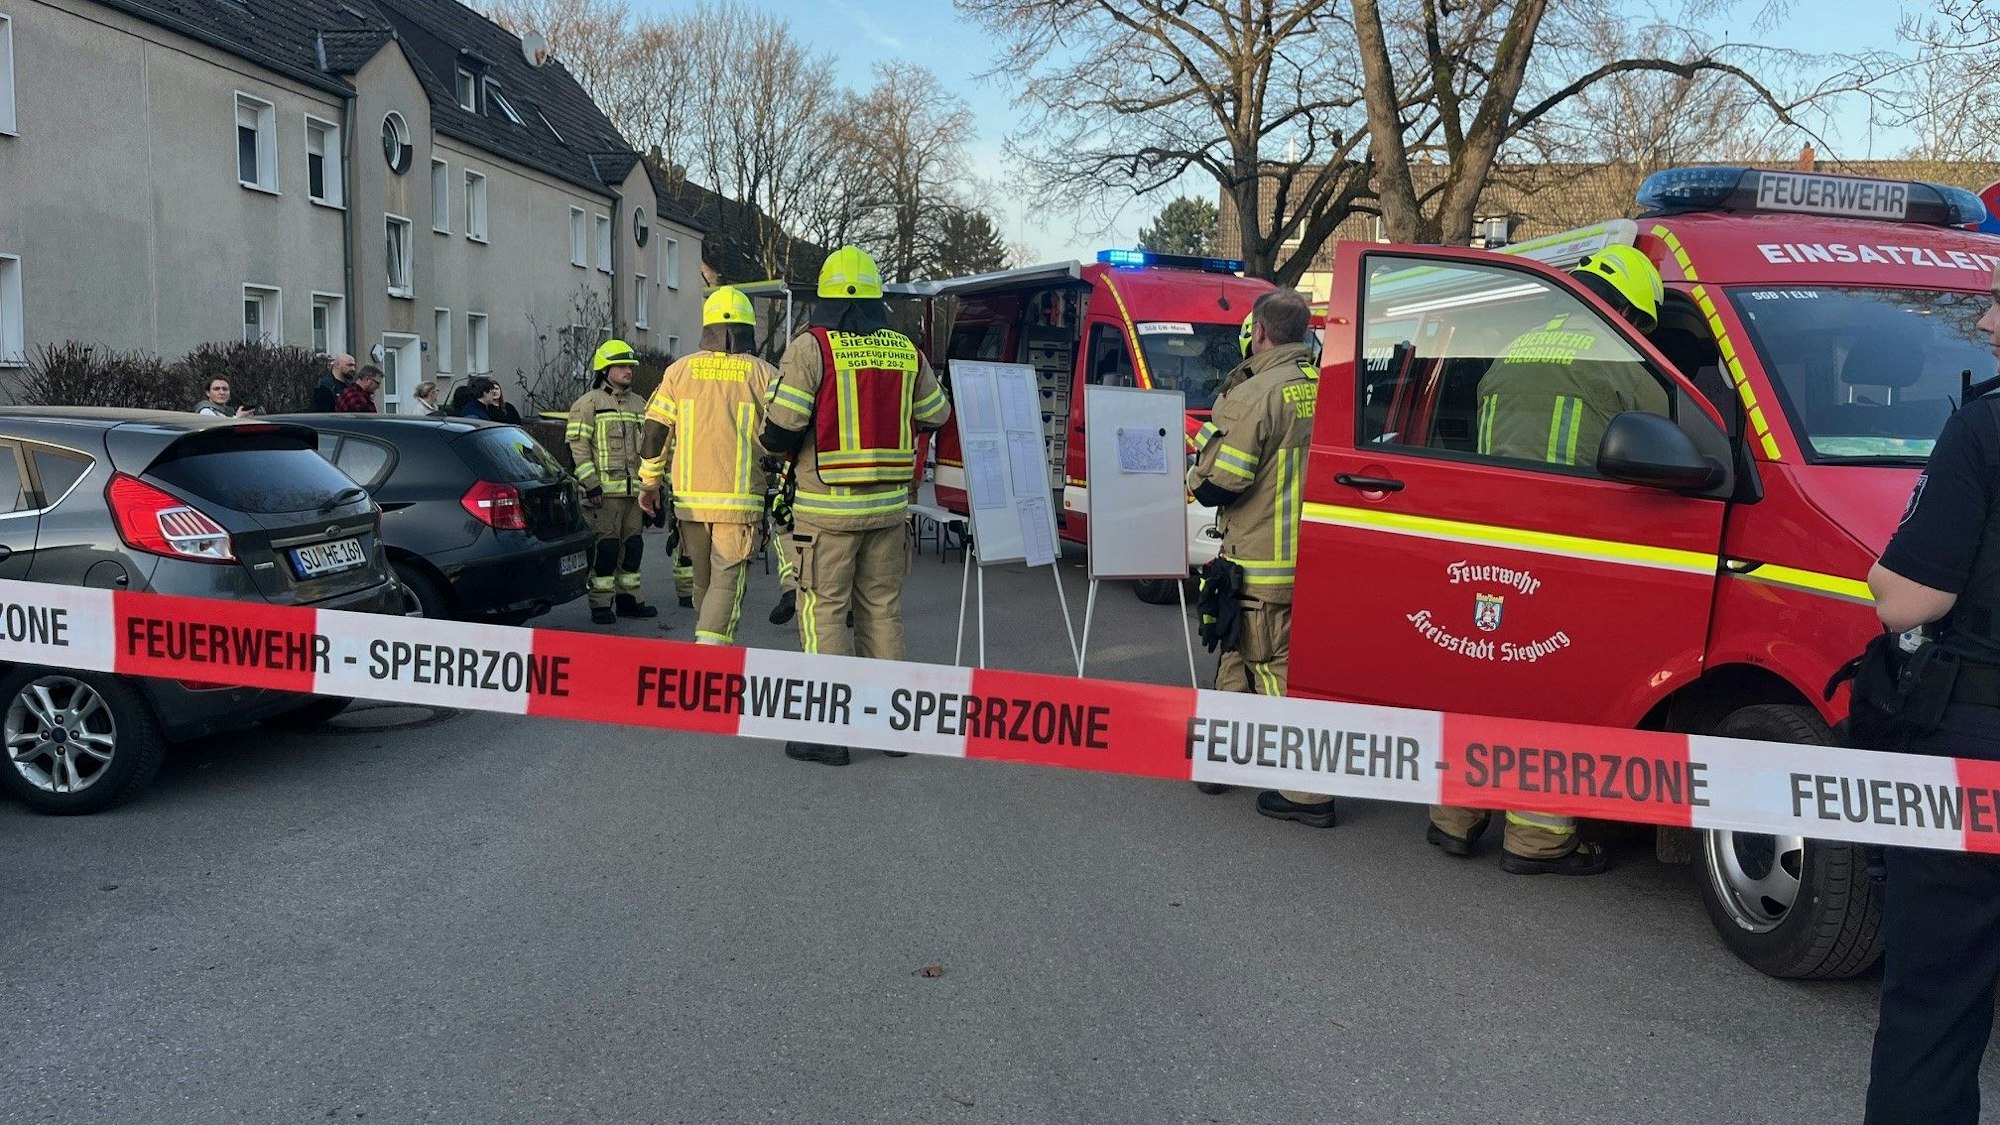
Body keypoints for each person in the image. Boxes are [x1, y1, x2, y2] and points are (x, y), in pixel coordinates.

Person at [1425, 245, 1669, 876]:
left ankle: (1454, 818)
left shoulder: (1515, 348)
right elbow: (1672, 439)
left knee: (1485, 675)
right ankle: (1535, 839)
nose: (1643, 336)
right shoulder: (1621, 355)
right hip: (1569, 541)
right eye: (1644, 325)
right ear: (1630, 314)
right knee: (1553, 687)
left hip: (1489, 539)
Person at [1862, 266, 2000, 1124]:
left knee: (1936, 1007)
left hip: (1977, 750)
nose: (1986, 321)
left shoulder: (1985, 425)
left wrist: (1883, 572)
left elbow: (1909, 598)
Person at [762, 245, 951, 765]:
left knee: (822, 611)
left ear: (827, 297)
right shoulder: (904, 348)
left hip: (825, 513)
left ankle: (827, 732)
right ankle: (894, 728)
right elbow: (937, 413)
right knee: (882, 610)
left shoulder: (811, 347)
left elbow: (780, 432)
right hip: (889, 511)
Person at [1187, 290, 1326, 824]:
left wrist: (1194, 472)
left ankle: (1309, 792)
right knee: (1236, 650)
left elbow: (1224, 482)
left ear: (1260, 332)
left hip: (1263, 556)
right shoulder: (1321, 385)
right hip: (1309, 556)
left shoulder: (1257, 392)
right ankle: (1219, 758)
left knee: (1271, 666)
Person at [636, 287, 777, 645]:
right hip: (739, 502)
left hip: (690, 504)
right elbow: (787, 433)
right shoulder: (764, 375)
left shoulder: (679, 371)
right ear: (747, 328)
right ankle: (709, 657)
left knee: (704, 584)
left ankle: (708, 640)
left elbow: (654, 433)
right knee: (725, 584)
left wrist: (649, 485)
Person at [568, 341, 657, 626]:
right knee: (606, 549)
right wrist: (591, 484)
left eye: (630, 365)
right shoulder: (588, 404)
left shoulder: (640, 404)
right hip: (604, 495)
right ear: (605, 370)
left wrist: (657, 489)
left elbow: (653, 447)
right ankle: (600, 605)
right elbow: (578, 447)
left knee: (633, 547)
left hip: (635, 493)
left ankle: (629, 600)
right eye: (621, 366)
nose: (628, 370)